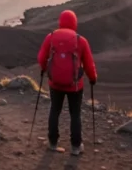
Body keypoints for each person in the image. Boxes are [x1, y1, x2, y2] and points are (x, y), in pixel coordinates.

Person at [37, 9, 97, 156]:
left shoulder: (51, 37)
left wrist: (46, 70)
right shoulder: (81, 40)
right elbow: (89, 64)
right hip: (75, 86)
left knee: (54, 110)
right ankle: (76, 147)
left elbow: (41, 58)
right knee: (75, 114)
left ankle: (52, 143)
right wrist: (93, 78)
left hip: (55, 84)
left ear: (60, 22)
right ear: (74, 23)